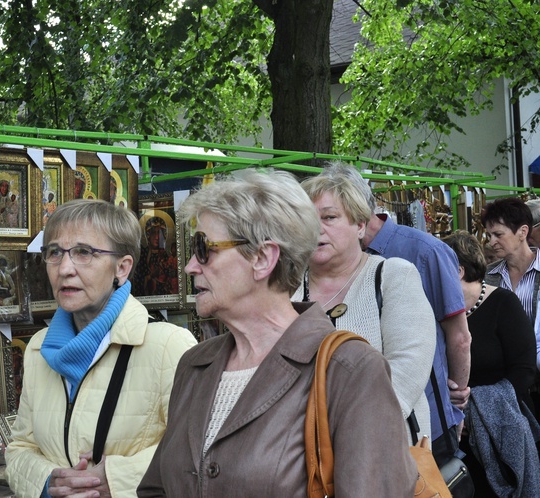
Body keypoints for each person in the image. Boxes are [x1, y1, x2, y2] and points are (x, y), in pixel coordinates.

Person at [138, 170, 417, 497]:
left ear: (263, 258)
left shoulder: (350, 370)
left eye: (204, 248)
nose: (190, 267)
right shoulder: (194, 365)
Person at [5, 199, 197, 498]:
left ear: (122, 267)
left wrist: (113, 481)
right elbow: (20, 449)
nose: (65, 268)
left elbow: (196, 452)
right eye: (55, 252)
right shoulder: (39, 349)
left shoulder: (169, 347)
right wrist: (49, 482)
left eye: (84, 252)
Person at [327, 162, 472, 467]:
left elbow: (459, 336)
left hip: (425, 425)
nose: (318, 228)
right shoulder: (322, 266)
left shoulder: (423, 251)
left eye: (329, 216)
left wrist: (455, 401)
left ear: (358, 215)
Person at [293, 172, 437, 439]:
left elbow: (407, 372)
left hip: (381, 450)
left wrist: (335, 430)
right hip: (301, 455)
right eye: (307, 219)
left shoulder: (393, 276)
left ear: (360, 225)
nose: (316, 228)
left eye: (329, 217)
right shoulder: (286, 288)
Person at [443, 230, 539, 497]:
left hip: (504, 429)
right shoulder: (437, 311)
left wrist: (477, 407)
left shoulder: (503, 303)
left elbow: (524, 369)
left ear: (458, 271)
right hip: (455, 430)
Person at [481, 198, 540, 324]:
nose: (492, 242)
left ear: (523, 232)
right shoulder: (488, 275)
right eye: (489, 235)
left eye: (498, 234)